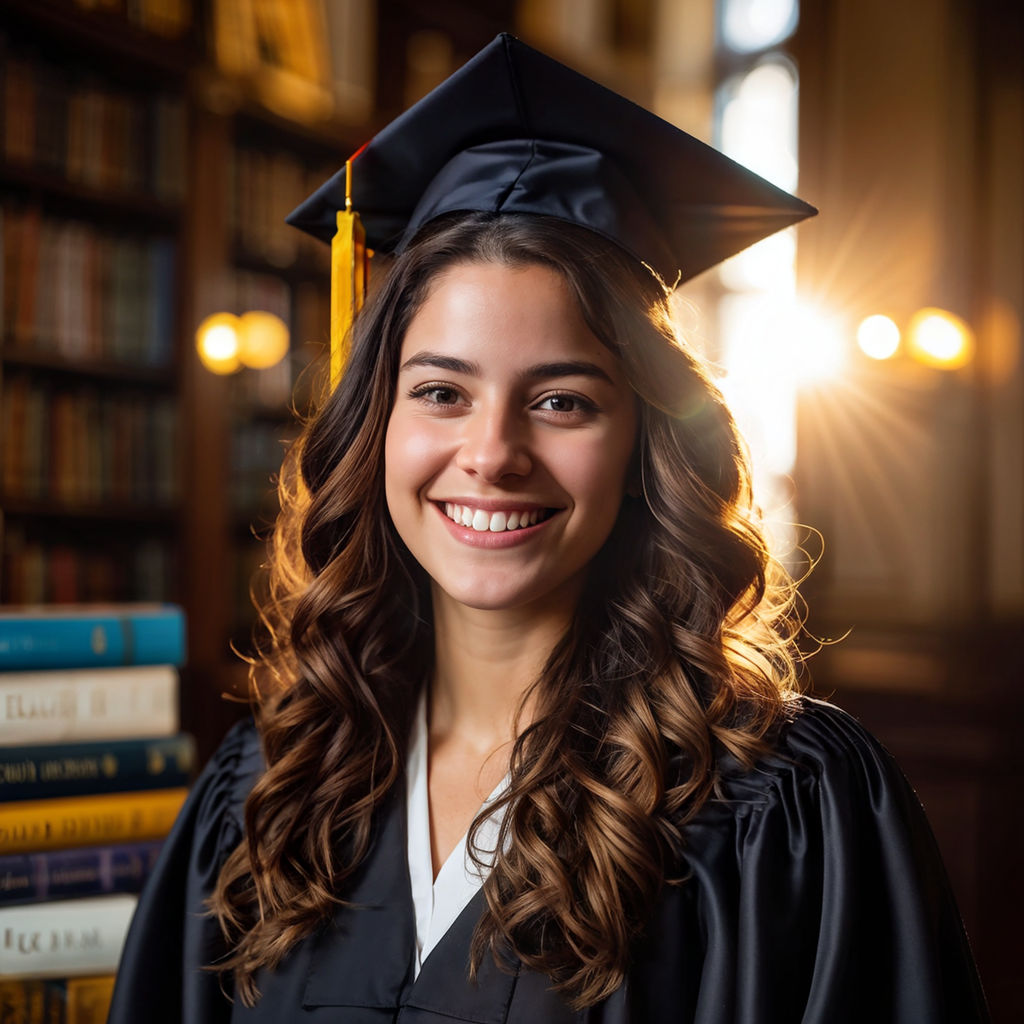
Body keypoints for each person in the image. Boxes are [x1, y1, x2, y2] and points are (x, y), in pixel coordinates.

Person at [108, 34, 989, 1023]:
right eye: (440, 390)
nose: (491, 452)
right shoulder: (269, 787)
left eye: (562, 401)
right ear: (375, 426)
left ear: (644, 441)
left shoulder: (781, 805)